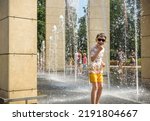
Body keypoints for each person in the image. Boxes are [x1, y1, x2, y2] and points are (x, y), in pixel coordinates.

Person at [88, 33, 106, 104]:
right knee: (95, 86)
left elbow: (99, 58)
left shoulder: (103, 49)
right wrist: (98, 50)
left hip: (99, 69)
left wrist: (102, 63)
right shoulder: (93, 48)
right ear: (96, 39)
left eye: (103, 40)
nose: (101, 41)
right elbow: (92, 59)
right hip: (92, 69)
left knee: (101, 86)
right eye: (99, 39)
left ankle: (97, 103)